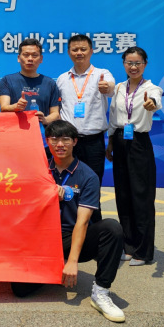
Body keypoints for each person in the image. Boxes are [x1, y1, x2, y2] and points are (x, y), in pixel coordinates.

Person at [11, 120, 126, 323]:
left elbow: (82, 222)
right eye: (54, 139)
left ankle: (101, 292)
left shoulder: (88, 176)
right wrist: (45, 193)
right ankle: (53, 268)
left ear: (75, 142)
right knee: (20, 289)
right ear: (47, 141)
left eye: (65, 139)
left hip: (70, 236)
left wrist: (72, 262)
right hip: (42, 237)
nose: (60, 144)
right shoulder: (38, 169)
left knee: (112, 228)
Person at [106, 46, 162, 266]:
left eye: (138, 63)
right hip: (120, 140)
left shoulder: (152, 88)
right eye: (129, 62)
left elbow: (155, 101)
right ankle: (128, 246)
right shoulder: (119, 88)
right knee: (123, 195)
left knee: (142, 197)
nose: (133, 67)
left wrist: (151, 104)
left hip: (139, 143)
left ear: (145, 64)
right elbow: (113, 116)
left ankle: (143, 251)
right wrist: (110, 142)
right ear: (124, 64)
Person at [56, 34, 115, 221]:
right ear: (69, 52)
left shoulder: (102, 74)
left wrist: (107, 87)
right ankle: (68, 227)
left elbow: (111, 88)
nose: (79, 53)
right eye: (75, 49)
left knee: (92, 186)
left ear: (91, 51)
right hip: (68, 142)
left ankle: (95, 230)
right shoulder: (62, 79)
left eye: (83, 49)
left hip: (93, 142)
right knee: (67, 187)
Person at [0, 38, 60, 153]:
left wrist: (45, 119)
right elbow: (4, 107)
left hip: (42, 141)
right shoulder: (7, 80)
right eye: (26, 55)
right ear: (19, 58)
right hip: (14, 138)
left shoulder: (50, 83)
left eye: (34, 55)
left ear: (41, 59)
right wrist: (16, 107)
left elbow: (55, 113)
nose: (30, 59)